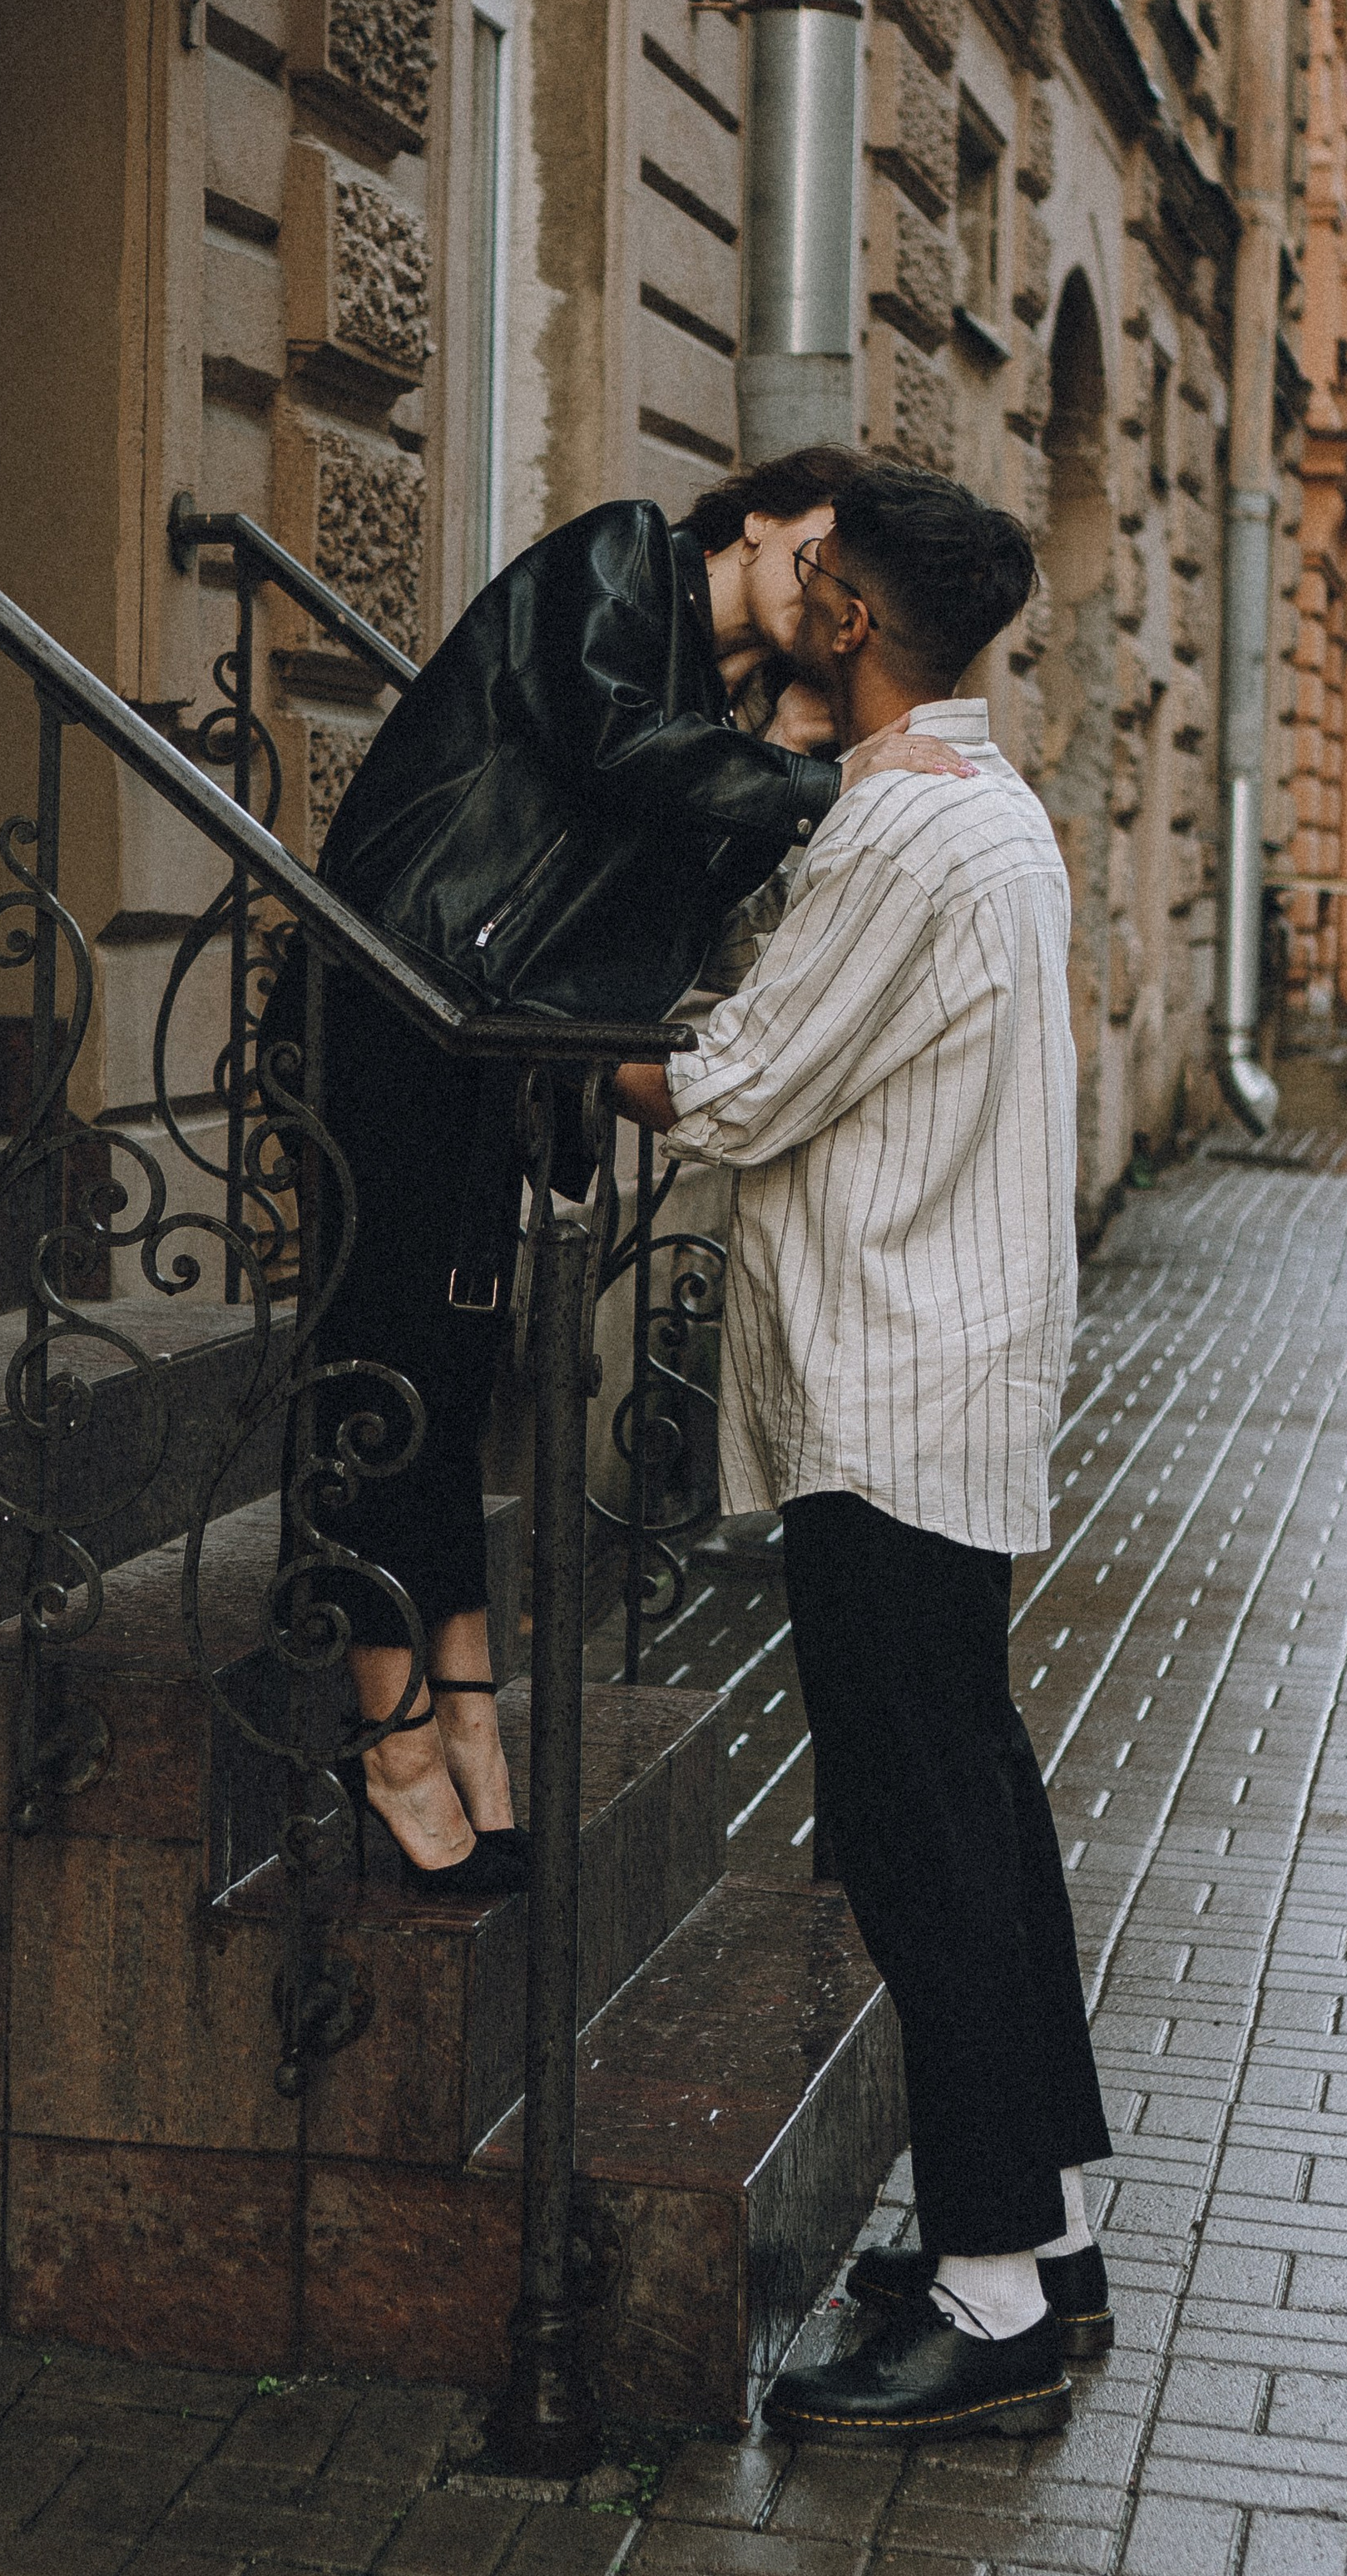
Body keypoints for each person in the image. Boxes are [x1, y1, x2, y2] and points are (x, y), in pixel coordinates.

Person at [287, 452, 975, 1896]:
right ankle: (394, 1741)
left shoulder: (718, 717)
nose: (826, 588)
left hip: (483, 1038)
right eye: (814, 552)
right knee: (378, 1369)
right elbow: (599, 734)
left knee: (453, 1381)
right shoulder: (617, 563)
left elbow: (675, 902)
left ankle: (464, 1720)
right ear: (756, 521)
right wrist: (826, 773)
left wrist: (781, 750)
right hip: (392, 999)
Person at [614, 462, 1110, 2445]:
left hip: (889, 1393)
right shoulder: (981, 806)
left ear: (846, 620)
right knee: (971, 1799)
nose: (777, 600)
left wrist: (572, 1036)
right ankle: (1046, 2229)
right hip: (943, 1372)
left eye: (805, 580)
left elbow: (734, 1090)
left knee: (913, 1834)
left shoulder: (906, 834)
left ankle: (983, 2294)